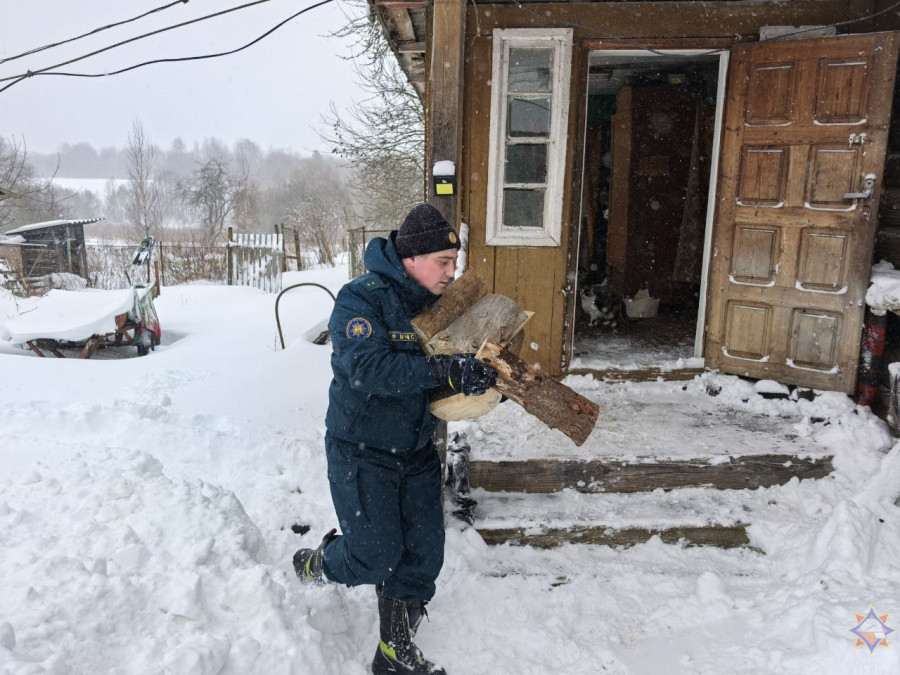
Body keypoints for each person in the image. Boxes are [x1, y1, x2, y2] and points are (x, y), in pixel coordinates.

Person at [293, 203, 497, 675]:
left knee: (424, 555)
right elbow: (365, 370)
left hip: (416, 450)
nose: (452, 272)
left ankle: (393, 651)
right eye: (443, 263)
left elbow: (437, 380)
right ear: (410, 258)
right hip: (362, 451)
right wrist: (443, 368)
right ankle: (320, 563)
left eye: (454, 262)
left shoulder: (440, 307)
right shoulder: (360, 299)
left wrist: (476, 382)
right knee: (375, 555)